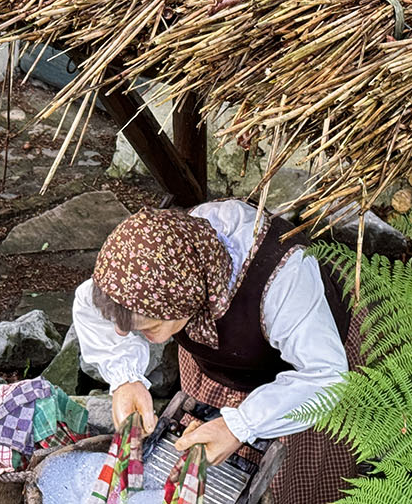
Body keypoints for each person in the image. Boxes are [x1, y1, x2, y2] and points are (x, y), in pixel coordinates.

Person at [71, 199, 359, 504]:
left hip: (301, 382)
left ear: (184, 301)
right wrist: (126, 379)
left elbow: (324, 376)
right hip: (219, 369)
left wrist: (240, 426)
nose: (136, 336)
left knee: (294, 484)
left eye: (147, 327)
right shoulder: (147, 264)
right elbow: (90, 308)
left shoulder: (285, 278)